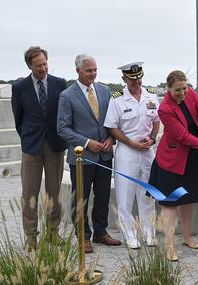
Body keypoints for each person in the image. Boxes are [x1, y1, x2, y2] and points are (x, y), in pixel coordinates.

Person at [148, 70, 198, 261]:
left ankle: (187, 237)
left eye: (184, 88)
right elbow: (182, 136)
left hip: (192, 156)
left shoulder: (190, 93)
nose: (182, 93)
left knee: (187, 198)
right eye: (178, 90)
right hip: (172, 160)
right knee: (170, 202)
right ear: (168, 89)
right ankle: (168, 246)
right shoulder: (164, 109)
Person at [57, 54, 121, 254]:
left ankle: (100, 232)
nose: (93, 73)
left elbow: (112, 121)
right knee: (81, 199)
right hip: (81, 158)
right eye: (88, 70)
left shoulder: (105, 91)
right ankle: (83, 237)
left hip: (104, 155)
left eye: (95, 70)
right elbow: (62, 128)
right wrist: (86, 143)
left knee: (102, 197)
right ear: (78, 71)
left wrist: (112, 138)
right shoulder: (67, 96)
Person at [11, 46, 68, 251]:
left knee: (54, 191)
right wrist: (27, 138)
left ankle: (53, 232)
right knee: (30, 193)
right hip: (31, 146)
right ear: (29, 66)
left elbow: (64, 114)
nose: (43, 68)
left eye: (45, 64)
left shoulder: (59, 84)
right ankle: (31, 236)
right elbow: (18, 118)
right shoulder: (19, 87)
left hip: (55, 144)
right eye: (38, 65)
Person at [104, 62, 160, 249]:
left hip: (147, 151)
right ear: (124, 79)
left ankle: (148, 233)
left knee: (147, 194)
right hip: (127, 151)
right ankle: (130, 235)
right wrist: (131, 143)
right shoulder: (117, 99)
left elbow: (156, 121)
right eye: (132, 79)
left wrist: (152, 139)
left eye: (139, 78)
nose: (137, 82)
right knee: (125, 195)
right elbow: (112, 126)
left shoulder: (151, 96)